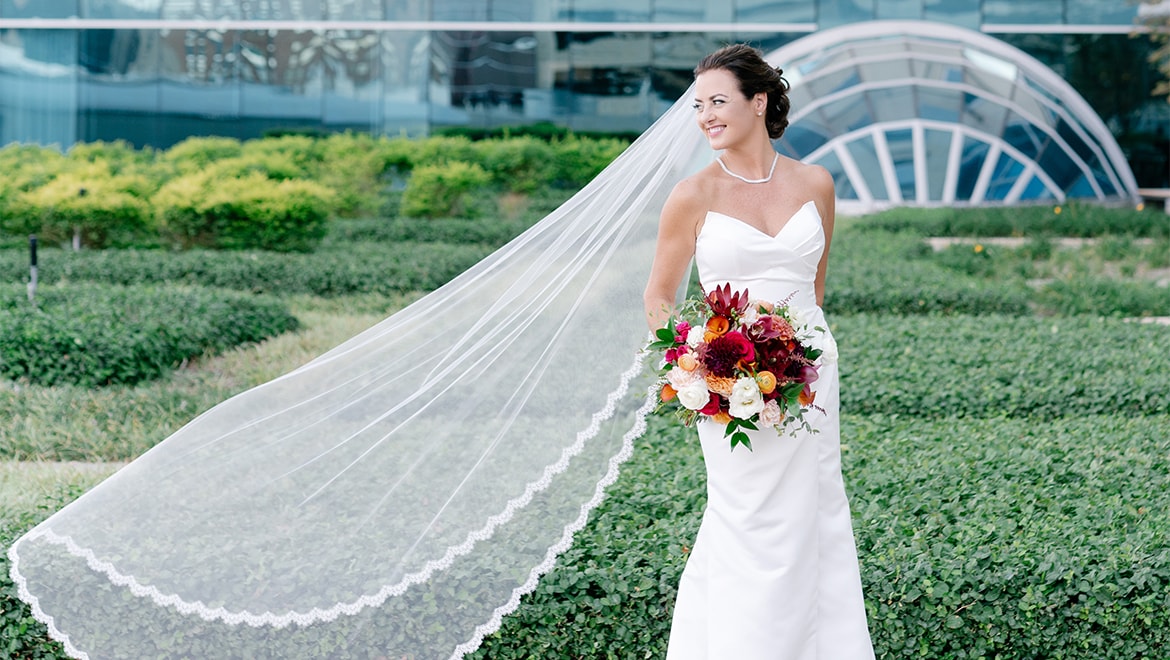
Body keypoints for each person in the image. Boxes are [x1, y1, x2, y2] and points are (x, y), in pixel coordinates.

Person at [643, 44, 875, 659]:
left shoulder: (816, 182)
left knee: (814, 516)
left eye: (718, 102)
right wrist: (699, 366)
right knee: (745, 517)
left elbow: (814, 291)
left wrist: (797, 356)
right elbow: (660, 299)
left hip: (811, 380)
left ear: (759, 102)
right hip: (727, 388)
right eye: (698, 106)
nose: (706, 116)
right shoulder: (692, 194)